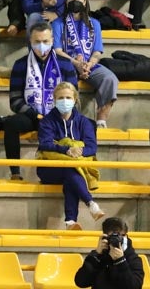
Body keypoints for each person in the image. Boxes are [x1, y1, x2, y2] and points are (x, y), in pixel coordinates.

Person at [5, 21, 77, 180]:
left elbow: (74, 98)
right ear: (30, 41)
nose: (41, 45)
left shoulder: (65, 64)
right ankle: (15, 172)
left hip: (58, 116)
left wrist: (57, 116)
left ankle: (66, 172)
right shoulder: (20, 64)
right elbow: (15, 100)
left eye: (45, 41)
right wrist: (36, 116)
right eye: (37, 42)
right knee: (11, 124)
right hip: (32, 116)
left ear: (52, 41)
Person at [37, 82, 105, 230]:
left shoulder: (85, 122)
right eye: (60, 98)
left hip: (77, 168)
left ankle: (70, 222)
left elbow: (91, 147)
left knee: (70, 173)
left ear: (75, 100)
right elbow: (45, 144)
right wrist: (67, 150)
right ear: (54, 100)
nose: (64, 101)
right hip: (49, 169)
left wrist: (78, 152)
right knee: (70, 168)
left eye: (68, 97)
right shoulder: (46, 121)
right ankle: (90, 203)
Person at [53, 0, 119, 128]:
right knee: (66, 81)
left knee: (110, 78)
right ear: (66, 2)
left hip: (89, 65)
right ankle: (70, 120)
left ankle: (101, 119)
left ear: (85, 1)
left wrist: (89, 64)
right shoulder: (58, 23)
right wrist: (75, 63)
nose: (75, 1)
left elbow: (97, 51)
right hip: (67, 64)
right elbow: (57, 50)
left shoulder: (94, 23)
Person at [74, 216, 146, 289]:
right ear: (105, 236)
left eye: (121, 236)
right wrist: (96, 255)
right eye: (113, 236)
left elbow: (135, 286)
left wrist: (121, 261)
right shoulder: (98, 257)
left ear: (126, 236)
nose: (117, 239)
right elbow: (81, 282)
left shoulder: (132, 257)